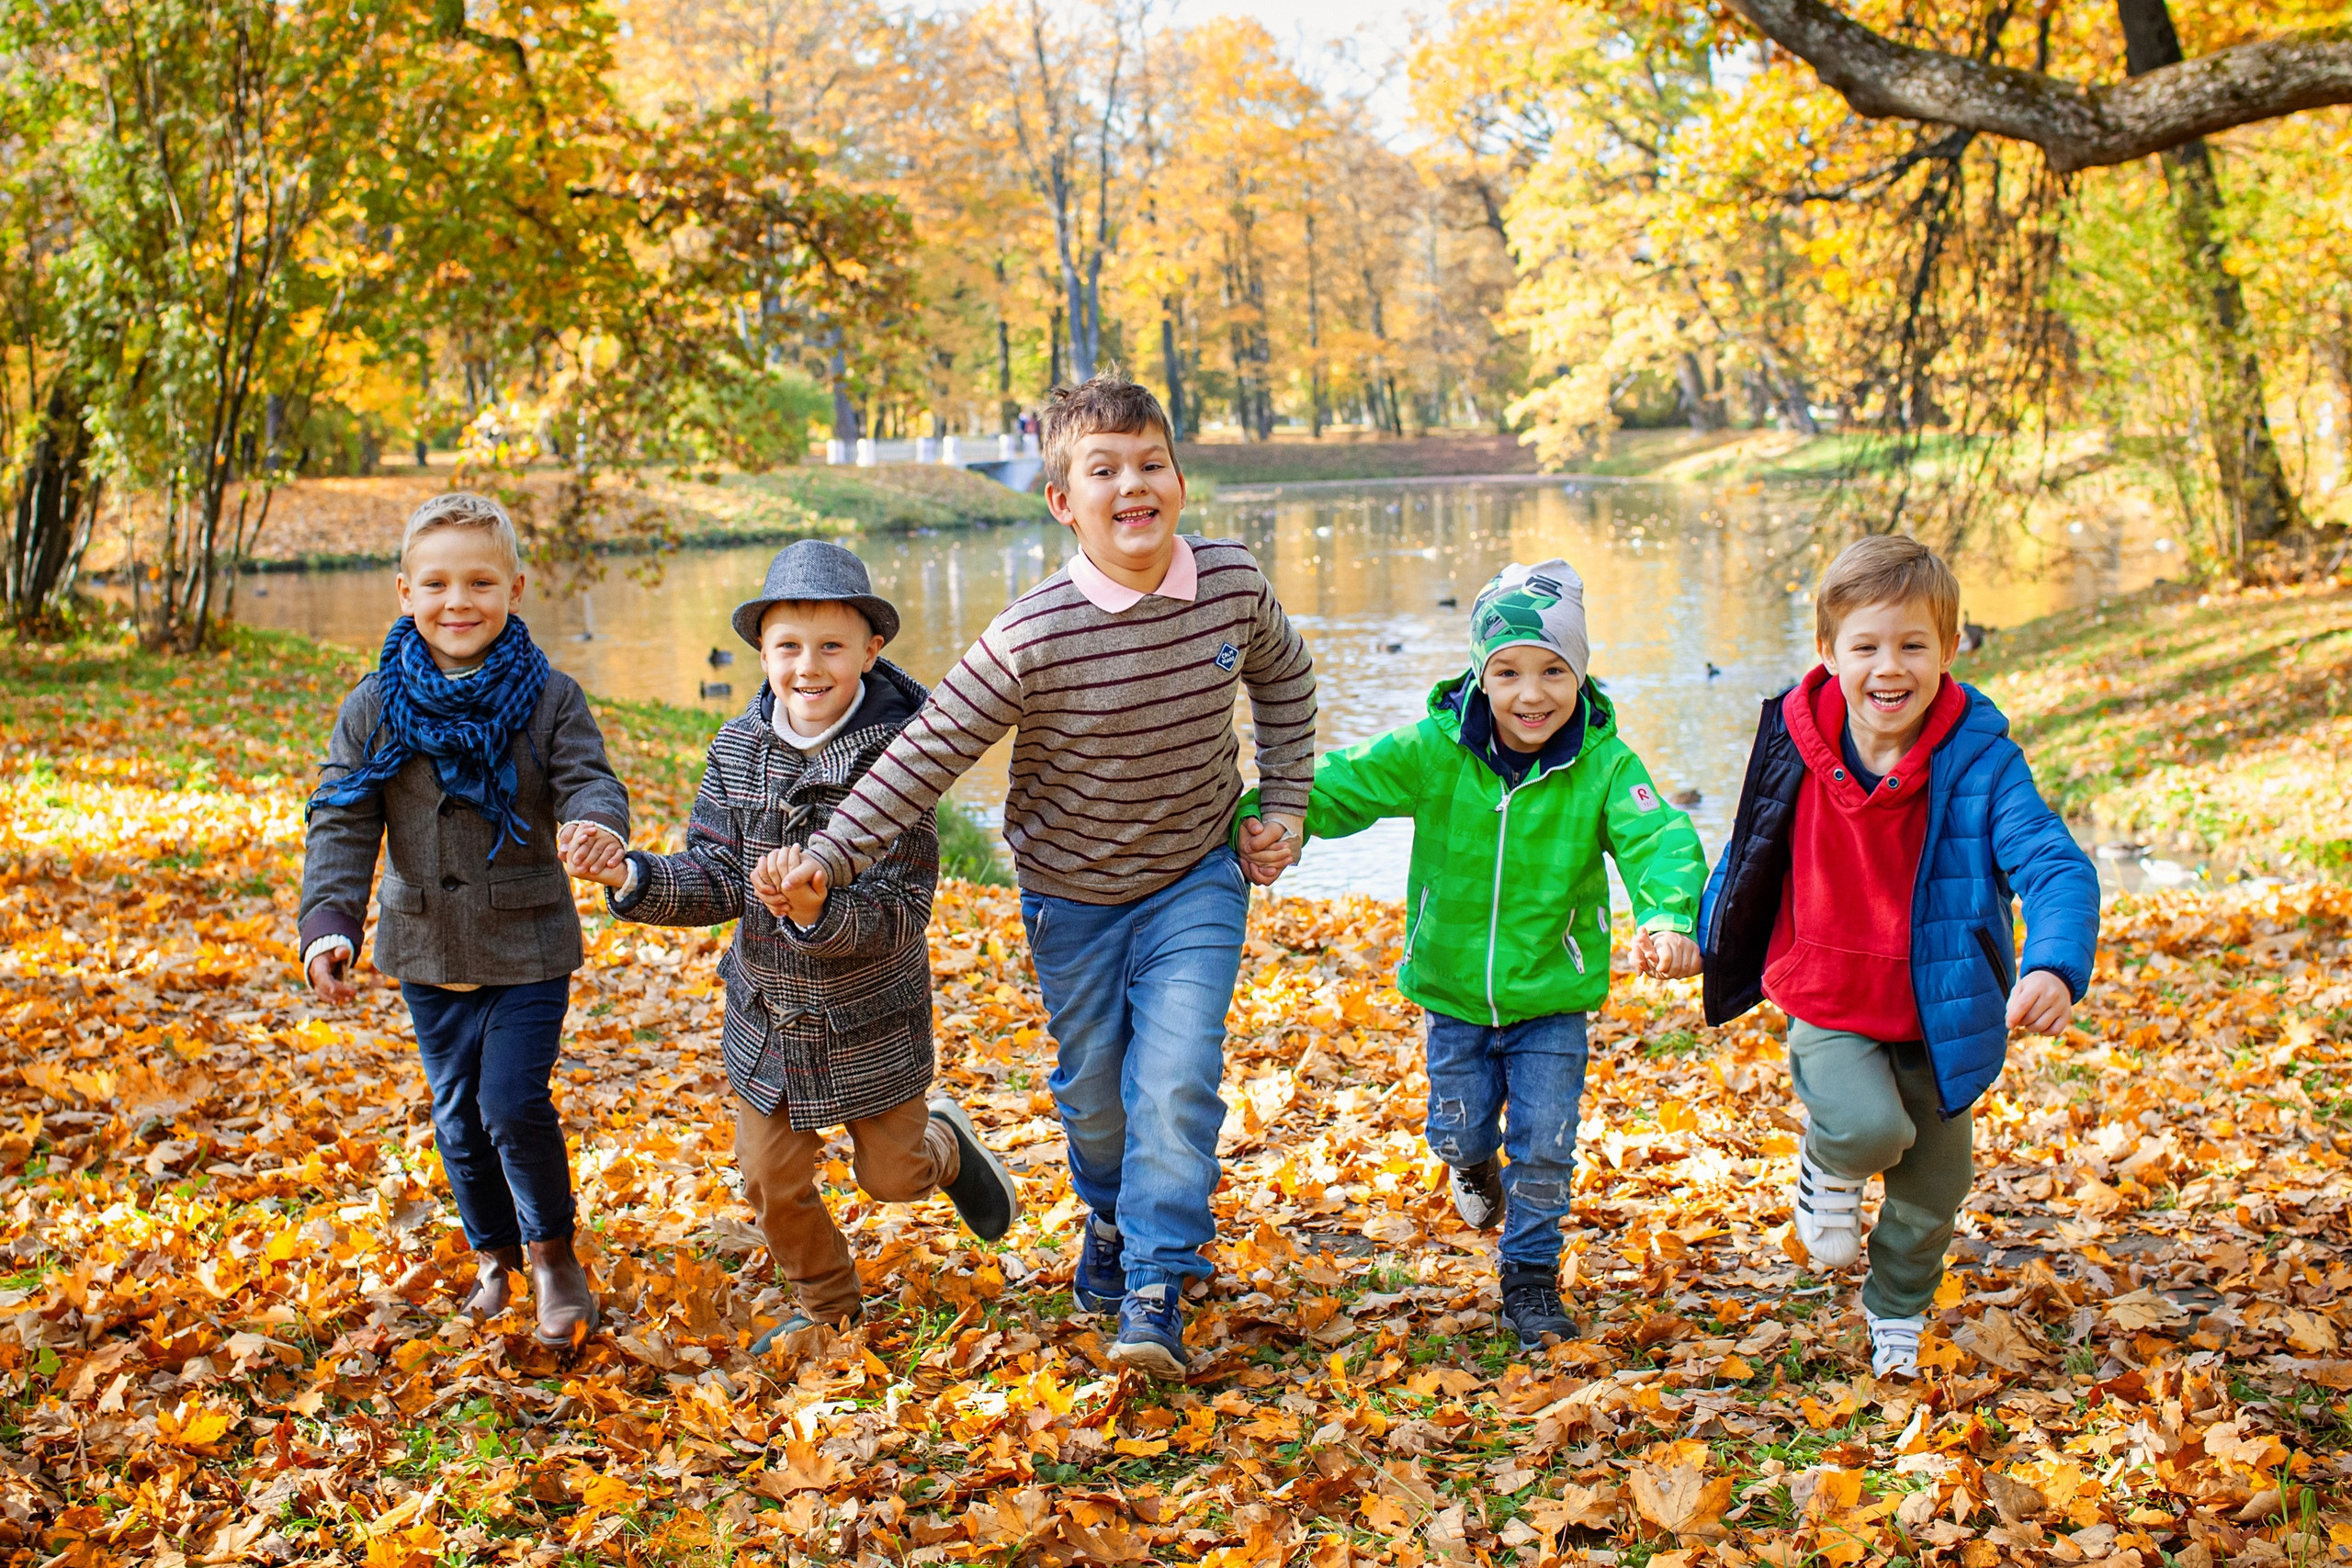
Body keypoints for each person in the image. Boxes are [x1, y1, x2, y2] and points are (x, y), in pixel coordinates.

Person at [775, 368, 1317, 1378]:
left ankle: (1156, 1281)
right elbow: (925, 753)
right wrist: (825, 857)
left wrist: (1283, 802)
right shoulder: (1033, 632)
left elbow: (1285, 680)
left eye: (1150, 462)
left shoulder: (1233, 583)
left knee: (1176, 1078)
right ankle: (1109, 1223)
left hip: (1196, 877)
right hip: (1070, 895)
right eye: (1102, 470)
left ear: (1179, 479)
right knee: (1098, 1098)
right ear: (1064, 503)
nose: (1132, 486)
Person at [560, 541, 1023, 1345]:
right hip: (770, 1016)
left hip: (868, 1015)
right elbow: (713, 872)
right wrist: (630, 875)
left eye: (831, 646)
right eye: (788, 647)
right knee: (771, 1178)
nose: (808, 667)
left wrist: (817, 908)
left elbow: (903, 909)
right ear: (763, 651)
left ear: (872, 650)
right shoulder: (739, 751)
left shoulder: (904, 756)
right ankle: (830, 1308)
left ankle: (943, 1146)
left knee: (891, 1176)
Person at [1238, 559, 1707, 1350]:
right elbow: (1347, 783)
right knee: (1457, 1132)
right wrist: (1274, 815)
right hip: (1452, 990)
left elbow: (1658, 838)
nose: (1533, 694)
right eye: (1510, 670)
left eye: (1555, 670)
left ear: (1580, 672)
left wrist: (1666, 917)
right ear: (1480, 674)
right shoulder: (1435, 748)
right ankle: (1471, 1163)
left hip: (1550, 992)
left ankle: (1529, 1279)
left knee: (1548, 1140)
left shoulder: (1605, 764)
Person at [1700, 535, 2098, 1378]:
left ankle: (1896, 1316)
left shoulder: (1982, 762)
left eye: (1914, 644)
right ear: (1828, 651)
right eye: (1867, 645)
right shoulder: (1792, 743)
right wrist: (1704, 935)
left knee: (1933, 1191)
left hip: (1941, 1009)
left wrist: (2053, 962)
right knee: (1870, 1127)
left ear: (1949, 650)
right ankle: (1828, 1157)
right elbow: (1749, 847)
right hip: (1828, 991)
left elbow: (2054, 863)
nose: (1891, 666)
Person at [300, 492, 629, 1347]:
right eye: (438, 583)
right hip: (427, 942)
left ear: (515, 588)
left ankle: (554, 1254)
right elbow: (341, 815)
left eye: (480, 581)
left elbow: (589, 779)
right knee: (456, 1117)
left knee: (511, 1101)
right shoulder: (374, 705)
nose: (459, 602)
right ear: (404, 590)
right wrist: (330, 919)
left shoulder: (549, 696)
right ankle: (496, 1256)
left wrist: (596, 825)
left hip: (526, 938)